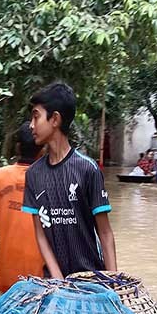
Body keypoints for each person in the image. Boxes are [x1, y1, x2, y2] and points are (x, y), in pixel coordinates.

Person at [22, 82, 116, 279]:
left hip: (91, 278)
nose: (31, 125)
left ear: (55, 119)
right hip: (54, 280)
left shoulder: (87, 169)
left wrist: (113, 282)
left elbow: (105, 233)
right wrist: (58, 279)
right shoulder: (33, 174)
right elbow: (40, 234)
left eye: (36, 116)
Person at [0, 122, 45, 292]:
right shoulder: (50, 179)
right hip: (38, 280)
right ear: (42, 151)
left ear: (17, 147)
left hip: (5, 275)